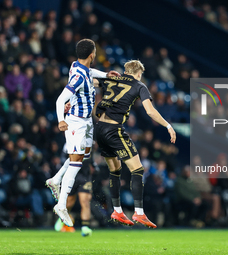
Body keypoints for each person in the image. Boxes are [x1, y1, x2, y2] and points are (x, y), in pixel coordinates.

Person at [45, 38, 119, 227]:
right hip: (76, 122)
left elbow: (90, 72)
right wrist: (61, 120)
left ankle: (55, 179)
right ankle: (61, 205)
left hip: (86, 121)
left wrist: (105, 75)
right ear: (92, 54)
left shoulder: (78, 66)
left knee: (84, 156)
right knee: (76, 162)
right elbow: (60, 100)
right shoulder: (77, 75)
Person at [95, 60, 176, 229]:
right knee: (138, 169)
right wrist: (168, 126)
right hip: (113, 129)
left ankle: (117, 210)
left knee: (115, 170)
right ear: (139, 73)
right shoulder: (140, 85)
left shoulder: (111, 78)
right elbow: (150, 111)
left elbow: (89, 80)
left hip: (99, 128)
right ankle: (139, 212)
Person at [54, 144, 93, 237]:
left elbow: (90, 156)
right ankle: (62, 219)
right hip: (72, 175)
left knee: (85, 201)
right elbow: (63, 158)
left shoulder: (90, 140)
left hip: (85, 176)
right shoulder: (69, 142)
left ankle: (85, 227)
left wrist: (94, 165)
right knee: (69, 203)